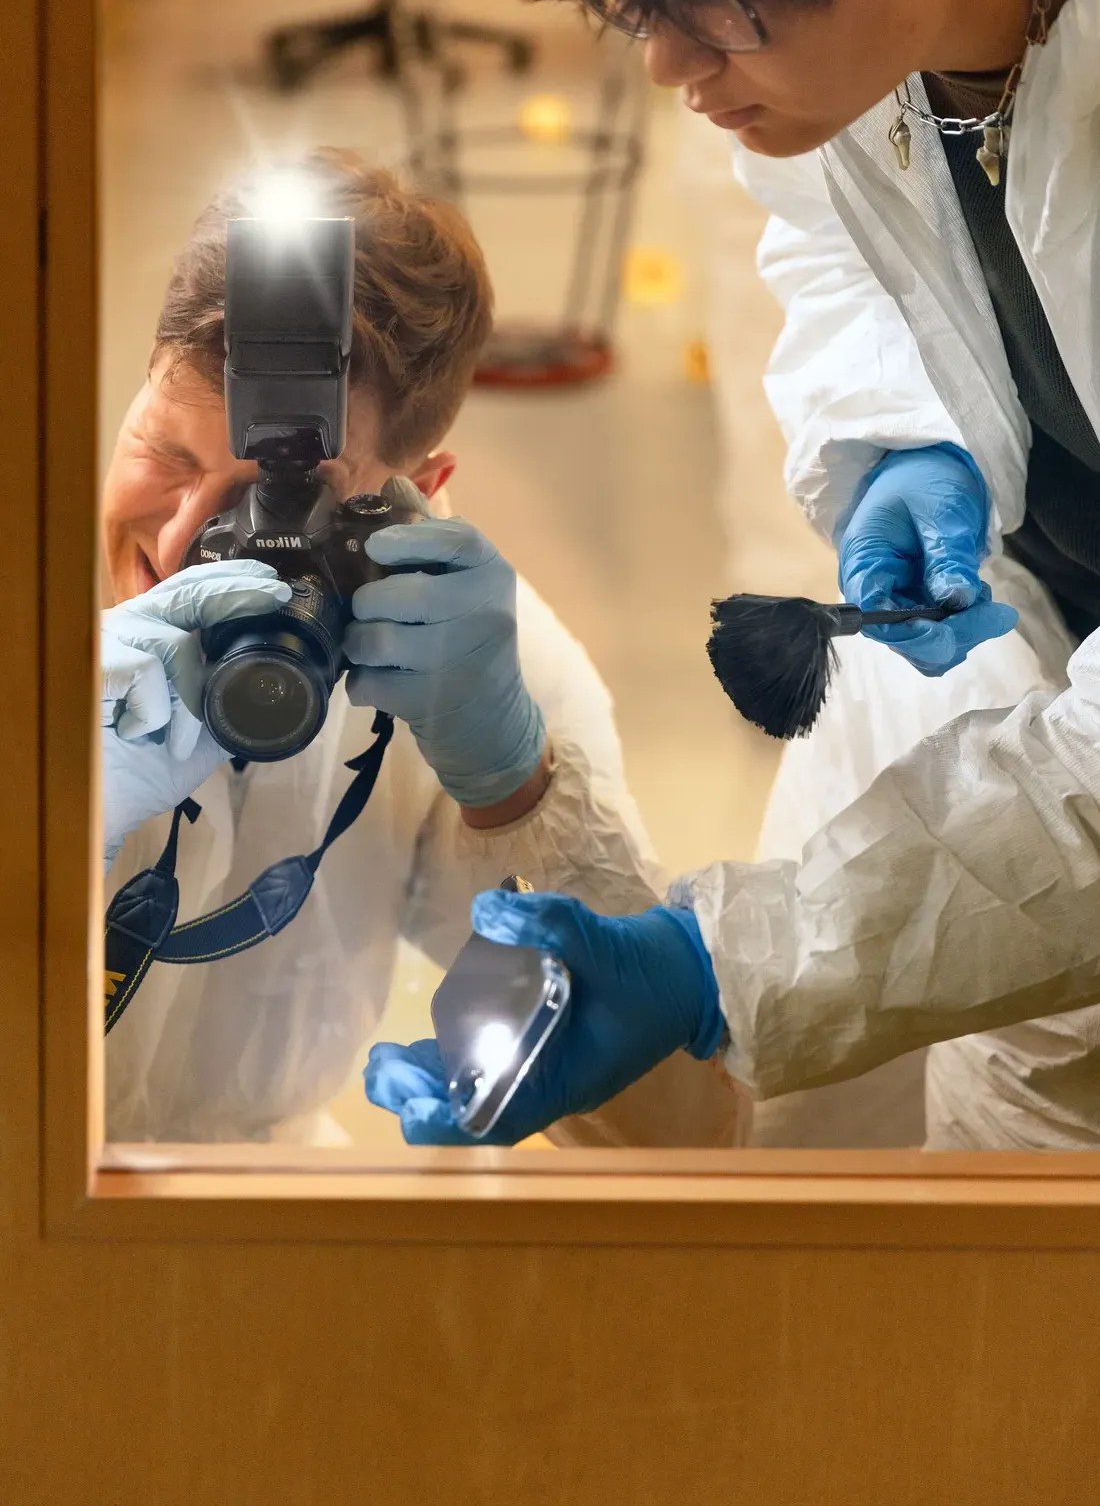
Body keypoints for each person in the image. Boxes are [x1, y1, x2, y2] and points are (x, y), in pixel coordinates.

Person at [368, 0, 1100, 1150]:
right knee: (809, 1163)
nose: (663, 65)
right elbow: (836, 235)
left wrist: (724, 966)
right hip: (1010, 637)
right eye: (641, 6)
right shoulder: (867, 47)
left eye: (715, 5)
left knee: (1019, 1203)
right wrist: (906, 438)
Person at [102, 146, 746, 1148]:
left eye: (272, 504)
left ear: (419, 492)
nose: (185, 544)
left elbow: (674, 1134)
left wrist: (515, 786)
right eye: (163, 452)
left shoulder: (467, 662)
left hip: (251, 1222)